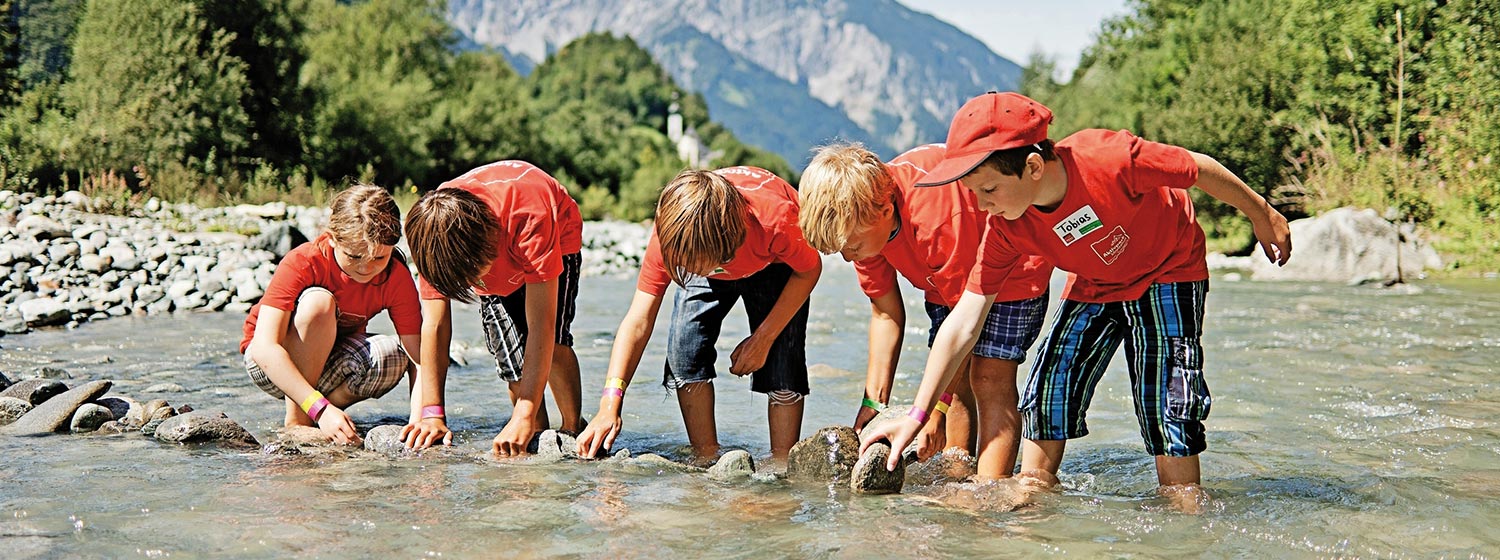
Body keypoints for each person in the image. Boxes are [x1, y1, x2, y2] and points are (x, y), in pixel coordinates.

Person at [861, 92, 1292, 501]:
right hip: (1095, 283)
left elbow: (1196, 168)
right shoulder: (1008, 226)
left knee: (1167, 404)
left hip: (1169, 271)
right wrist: (917, 415)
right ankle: (1032, 499)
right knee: (1049, 386)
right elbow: (965, 319)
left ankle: (1183, 513)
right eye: (973, 193)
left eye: (988, 190)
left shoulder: (1107, 158)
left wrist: (1262, 213)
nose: (980, 205)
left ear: (1032, 167)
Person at [797, 142, 1052, 480]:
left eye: (852, 247)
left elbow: (965, 328)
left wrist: (930, 414)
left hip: (1015, 270)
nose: (848, 257)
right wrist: (873, 405)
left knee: (988, 377)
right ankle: (958, 470)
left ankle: (990, 491)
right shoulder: (863, 220)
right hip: (944, 282)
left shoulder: (935, 217)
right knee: (955, 387)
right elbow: (886, 314)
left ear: (885, 212)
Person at [575, 167, 823, 463]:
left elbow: (809, 270)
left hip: (774, 262)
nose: (691, 269)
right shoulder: (673, 234)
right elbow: (638, 319)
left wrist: (763, 339)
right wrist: (609, 404)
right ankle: (705, 458)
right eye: (684, 264)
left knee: (783, 365)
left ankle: (782, 464)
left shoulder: (778, 220)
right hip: (706, 243)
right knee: (684, 352)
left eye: (697, 263)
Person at [402, 160, 584, 456]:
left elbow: (543, 326)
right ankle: (533, 436)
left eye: (475, 277)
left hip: (555, 237)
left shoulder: (529, 215)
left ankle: (572, 430)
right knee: (513, 362)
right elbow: (435, 325)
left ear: (488, 244)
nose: (479, 283)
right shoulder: (434, 240)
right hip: (493, 244)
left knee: (556, 344)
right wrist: (432, 413)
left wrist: (522, 414)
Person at [241, 184, 425, 446]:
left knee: (393, 355)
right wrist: (320, 409)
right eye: (354, 256)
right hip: (271, 365)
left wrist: (423, 419)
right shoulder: (303, 261)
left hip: (329, 363)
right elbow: (263, 348)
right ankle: (298, 422)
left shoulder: (395, 276)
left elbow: (417, 357)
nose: (366, 268)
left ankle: (320, 411)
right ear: (331, 238)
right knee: (319, 303)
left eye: (379, 258)